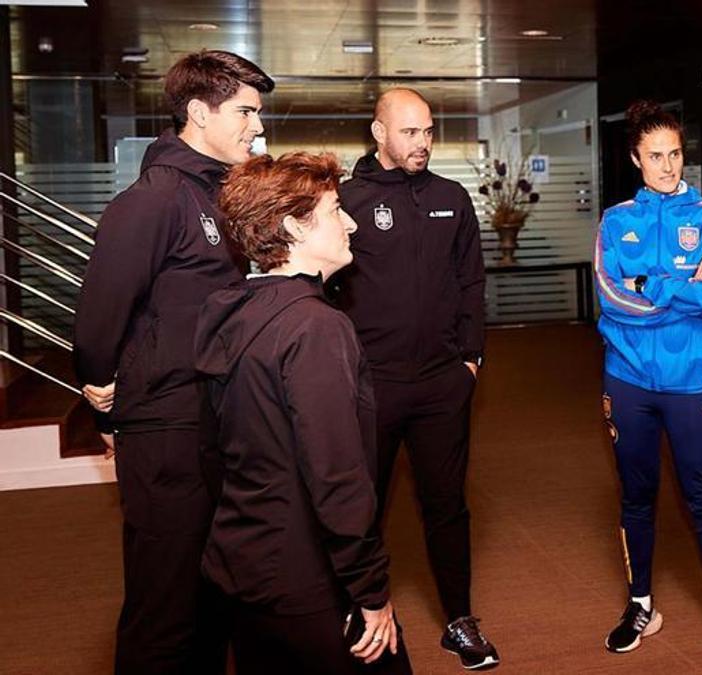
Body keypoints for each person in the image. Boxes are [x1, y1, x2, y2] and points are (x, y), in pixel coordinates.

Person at [73, 49, 273, 674]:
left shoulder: (218, 194)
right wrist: (102, 388)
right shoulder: (154, 200)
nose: (256, 127)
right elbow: (102, 310)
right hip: (166, 426)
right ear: (196, 112)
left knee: (216, 586)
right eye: (244, 112)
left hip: (215, 417)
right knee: (165, 601)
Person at [195, 151, 410, 674]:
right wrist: (371, 590)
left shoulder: (226, 309)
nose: (352, 222)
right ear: (294, 226)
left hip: (240, 564)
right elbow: (336, 475)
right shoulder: (315, 327)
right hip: (308, 577)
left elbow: (212, 451)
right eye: (337, 210)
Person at [333, 87, 496, 671]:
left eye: (427, 131)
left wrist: (470, 359)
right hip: (371, 385)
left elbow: (471, 283)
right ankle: (357, 612)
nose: (422, 142)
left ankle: (459, 619)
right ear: (379, 134)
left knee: (447, 505)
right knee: (361, 506)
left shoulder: (452, 197)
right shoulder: (346, 200)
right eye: (409, 132)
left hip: (440, 385)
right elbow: (324, 288)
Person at [593, 100, 702, 674]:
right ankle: (640, 606)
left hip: (690, 384)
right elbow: (611, 298)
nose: (667, 166)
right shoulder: (615, 221)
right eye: (655, 156)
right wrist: (679, 284)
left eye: (675, 154)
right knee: (636, 497)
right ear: (636, 159)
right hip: (629, 381)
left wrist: (649, 285)